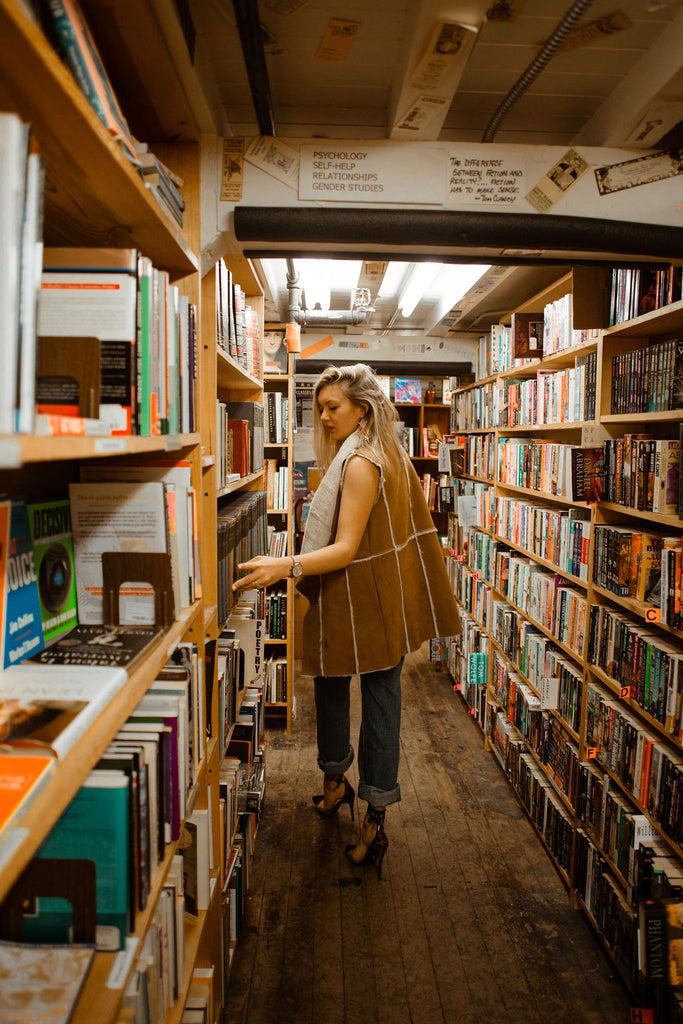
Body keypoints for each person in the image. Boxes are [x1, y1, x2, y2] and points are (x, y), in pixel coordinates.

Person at [233, 363, 461, 878]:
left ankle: (373, 818)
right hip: (381, 596)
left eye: (333, 407)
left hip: (360, 598)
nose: (325, 417)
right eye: (321, 408)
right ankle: (343, 788)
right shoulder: (391, 450)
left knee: (364, 702)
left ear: (363, 407)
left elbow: (344, 548)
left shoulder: (360, 462)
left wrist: (284, 565)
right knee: (354, 694)